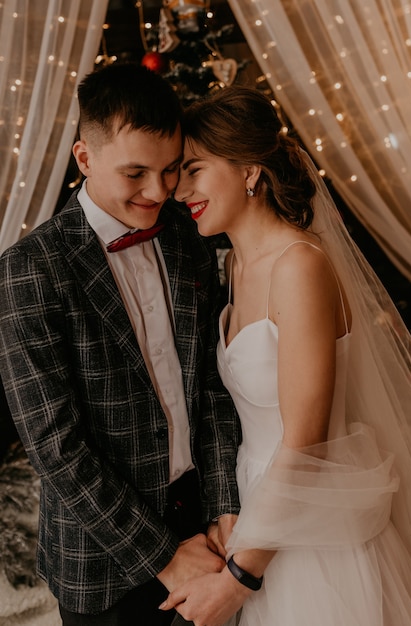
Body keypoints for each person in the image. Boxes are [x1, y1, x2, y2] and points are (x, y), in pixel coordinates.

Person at [160, 85, 411, 625]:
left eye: (195, 169)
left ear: (250, 171)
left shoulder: (299, 267)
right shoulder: (232, 265)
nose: (179, 190)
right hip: (257, 508)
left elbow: (306, 445)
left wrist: (239, 579)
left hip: (313, 527)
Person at [0, 63, 241, 626]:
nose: (158, 192)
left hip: (207, 523)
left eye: (170, 170)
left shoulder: (186, 234)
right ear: (85, 159)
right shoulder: (28, 271)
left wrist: (227, 504)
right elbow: (55, 446)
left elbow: (214, 383)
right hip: (106, 559)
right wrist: (163, 557)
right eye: (135, 173)